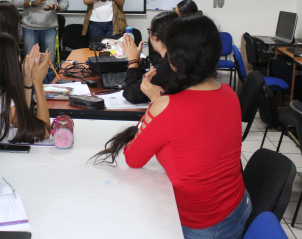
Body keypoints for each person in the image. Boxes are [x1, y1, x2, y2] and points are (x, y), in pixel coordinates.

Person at [92, 15, 250, 239]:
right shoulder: (229, 94)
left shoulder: (166, 106)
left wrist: (156, 102)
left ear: (175, 58)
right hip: (238, 207)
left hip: (204, 225)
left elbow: (133, 158)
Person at [0, 32, 50, 147]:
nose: (19, 58)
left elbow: (22, 118)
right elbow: (44, 132)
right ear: (8, 61)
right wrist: (38, 83)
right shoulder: (1, 97)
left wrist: (27, 80)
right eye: (16, 53)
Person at [120, 11, 178, 104]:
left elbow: (132, 95)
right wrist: (138, 60)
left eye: (149, 31)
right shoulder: (167, 56)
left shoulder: (167, 64)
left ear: (155, 36)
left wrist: (133, 61)